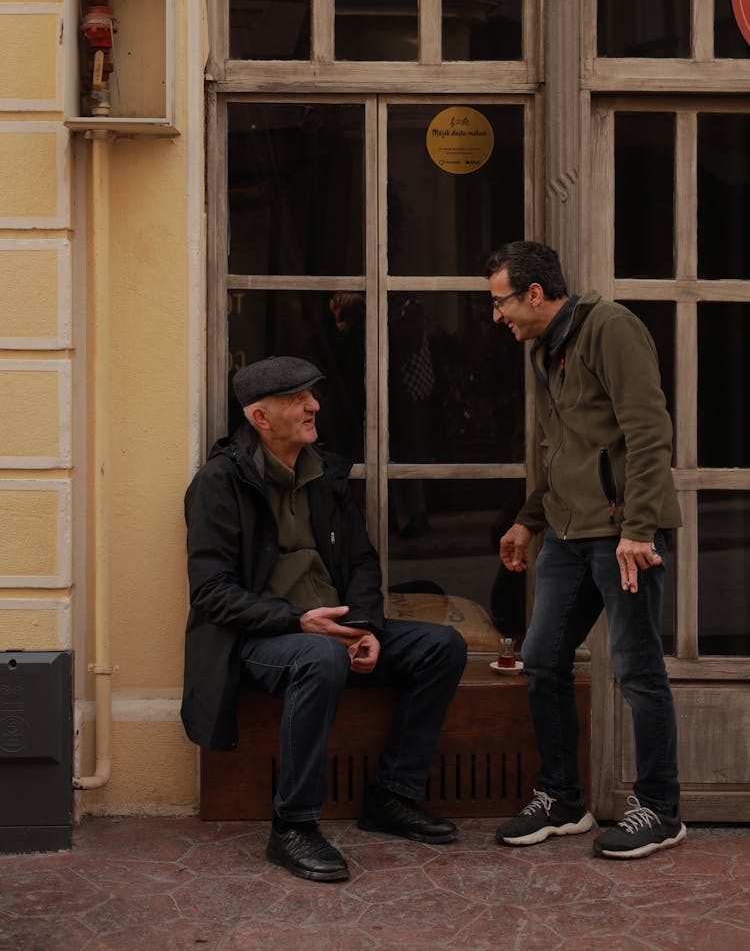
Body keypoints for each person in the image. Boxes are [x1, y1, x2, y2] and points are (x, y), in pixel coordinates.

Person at [181, 355, 467, 883]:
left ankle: (392, 797)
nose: (313, 405)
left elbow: (361, 561)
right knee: (318, 656)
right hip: (259, 640)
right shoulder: (219, 484)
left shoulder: (326, 473)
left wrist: (365, 627)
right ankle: (292, 825)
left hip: (332, 634)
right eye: (296, 398)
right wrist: (298, 621)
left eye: (312, 394)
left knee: (442, 645)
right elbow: (211, 594)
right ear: (260, 418)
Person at [486, 241, 686, 860]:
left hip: (624, 533)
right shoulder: (544, 348)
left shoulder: (611, 329)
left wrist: (641, 528)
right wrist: (528, 520)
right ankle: (563, 799)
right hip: (569, 533)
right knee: (543, 658)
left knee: (635, 668)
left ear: (536, 294)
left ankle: (659, 808)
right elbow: (564, 449)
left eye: (502, 302)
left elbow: (649, 431)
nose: (499, 316)